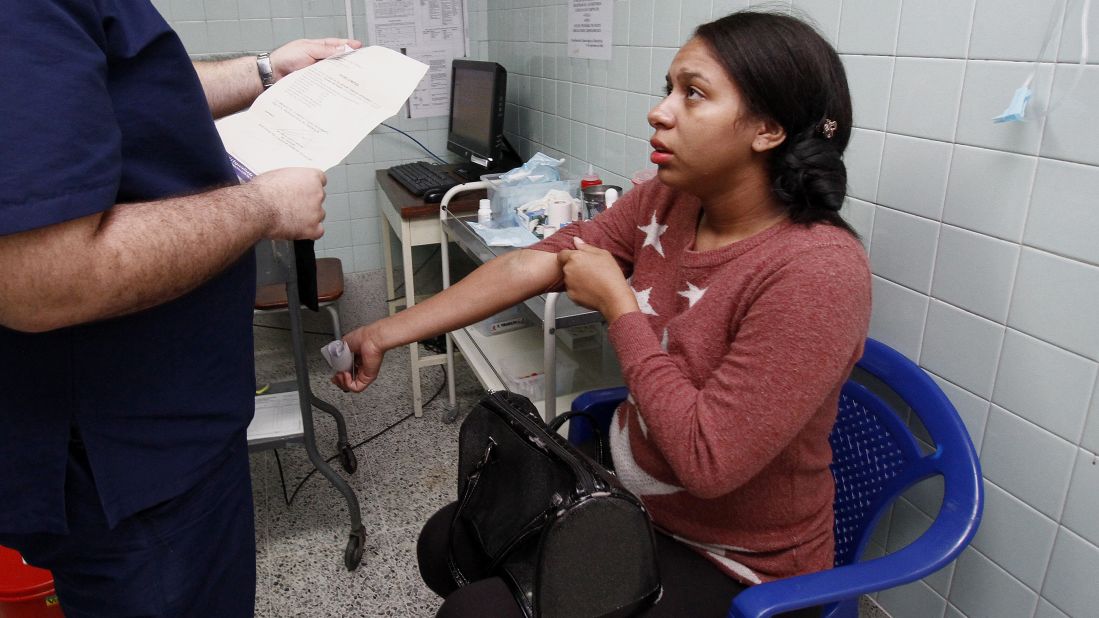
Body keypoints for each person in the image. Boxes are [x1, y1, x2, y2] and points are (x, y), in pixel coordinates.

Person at [334, 9, 870, 618]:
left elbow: (708, 462)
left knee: (473, 613)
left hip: (734, 560)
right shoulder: (672, 198)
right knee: (445, 546)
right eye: (667, 88)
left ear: (767, 129)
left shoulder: (816, 271)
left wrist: (619, 303)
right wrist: (386, 331)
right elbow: (534, 263)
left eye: (693, 94)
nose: (660, 111)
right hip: (632, 495)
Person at [0, 2, 361, 616]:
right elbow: (44, 280)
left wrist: (266, 70)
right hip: (130, 459)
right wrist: (264, 207)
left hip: (168, 422)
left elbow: (127, 88)